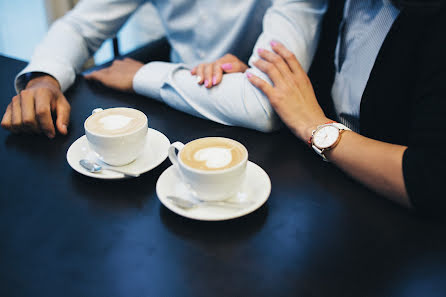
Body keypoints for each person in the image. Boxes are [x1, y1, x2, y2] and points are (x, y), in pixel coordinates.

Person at [196, 0, 446, 213]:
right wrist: (263, 80)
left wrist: (317, 127)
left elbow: (430, 177)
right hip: (322, 196)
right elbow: (318, 89)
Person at [0, 0, 327, 138]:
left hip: (267, 139)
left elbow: (265, 105)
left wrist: (141, 75)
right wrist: (44, 78)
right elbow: (80, 27)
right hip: (172, 114)